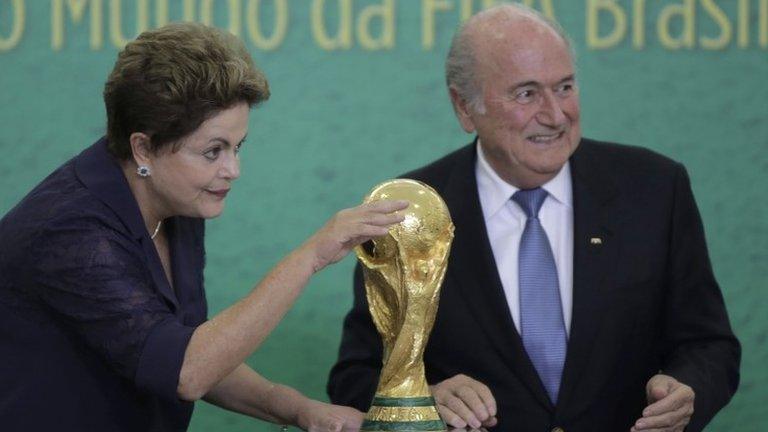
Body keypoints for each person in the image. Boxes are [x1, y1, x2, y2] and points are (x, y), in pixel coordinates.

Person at [327, 4, 740, 432]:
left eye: (564, 87)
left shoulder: (655, 189)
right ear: (464, 107)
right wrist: (420, 396)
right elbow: (354, 375)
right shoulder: (411, 212)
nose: (556, 115)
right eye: (526, 94)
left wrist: (688, 390)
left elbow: (709, 344)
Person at [0, 22, 408, 432]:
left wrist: (298, 409)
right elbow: (186, 370)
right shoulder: (72, 232)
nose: (232, 170)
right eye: (213, 151)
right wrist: (311, 257)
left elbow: (189, 347)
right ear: (143, 147)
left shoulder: (178, 201)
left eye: (237, 147)